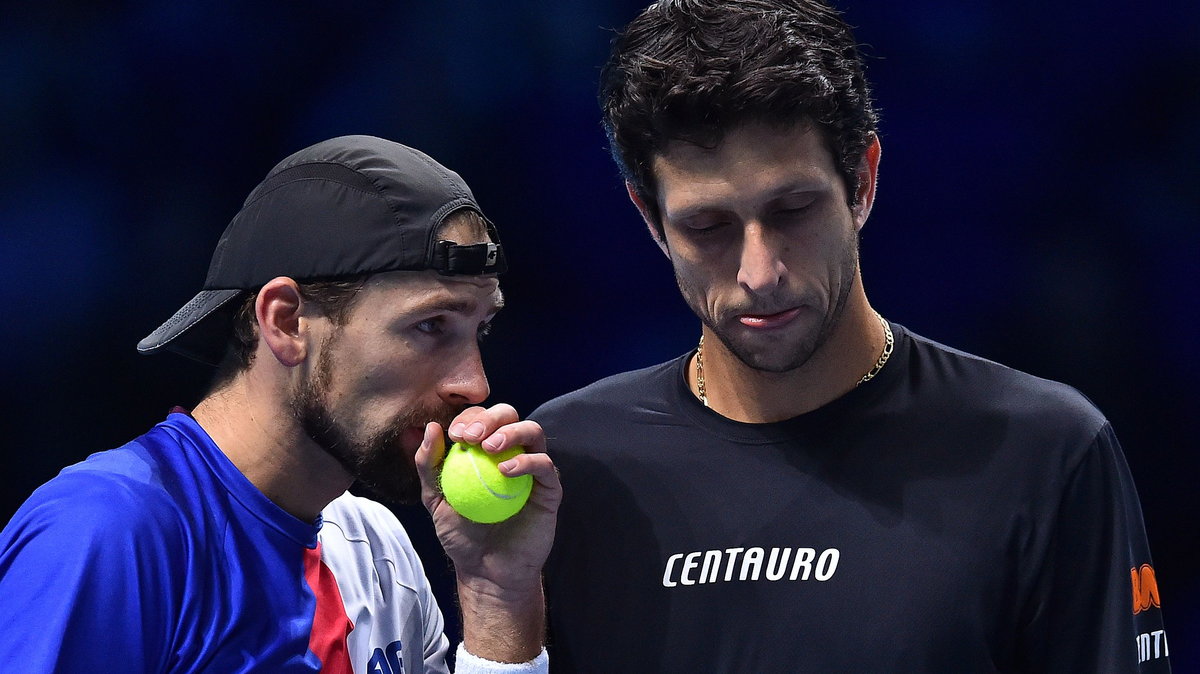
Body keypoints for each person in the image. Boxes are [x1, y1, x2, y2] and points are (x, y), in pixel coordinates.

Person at [529, 1, 1171, 672]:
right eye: (708, 227)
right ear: (650, 219)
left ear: (862, 182)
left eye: (793, 210)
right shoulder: (571, 465)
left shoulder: (1046, 451)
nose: (760, 273)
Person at [0, 135, 560, 673]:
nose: (475, 385)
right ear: (286, 322)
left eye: (478, 331)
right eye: (432, 325)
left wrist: (494, 596)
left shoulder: (378, 552)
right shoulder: (108, 532)